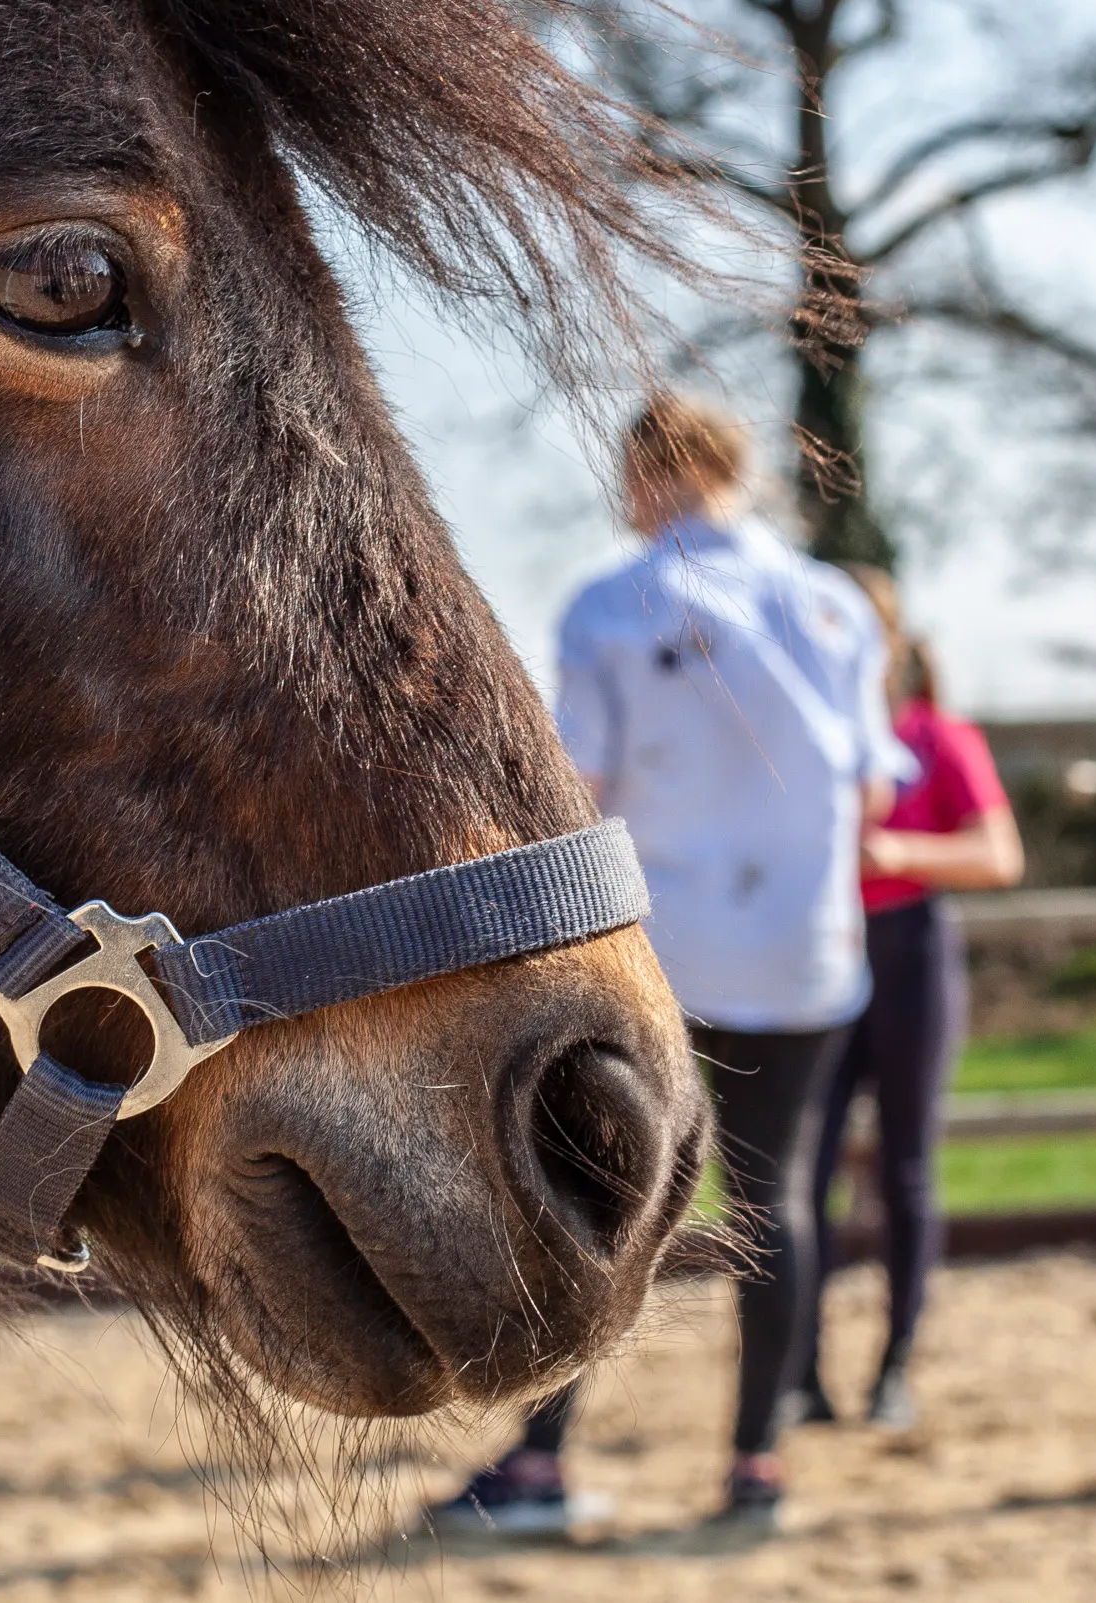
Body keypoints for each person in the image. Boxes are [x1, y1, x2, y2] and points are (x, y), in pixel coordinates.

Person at [430, 391, 904, 1540]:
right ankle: (756, 1464)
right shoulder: (834, 600)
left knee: (595, 1191)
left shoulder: (612, 599)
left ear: (645, 474)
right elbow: (878, 788)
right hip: (804, 940)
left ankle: (539, 1461)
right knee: (777, 1192)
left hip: (658, 941)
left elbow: (573, 785)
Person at [790, 568, 1021, 1432]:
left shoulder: (939, 736)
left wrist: (898, 853)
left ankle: (893, 1366)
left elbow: (999, 854)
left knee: (906, 1163)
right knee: (796, 1171)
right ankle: (798, 1369)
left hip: (909, 951)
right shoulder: (796, 739)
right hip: (821, 951)